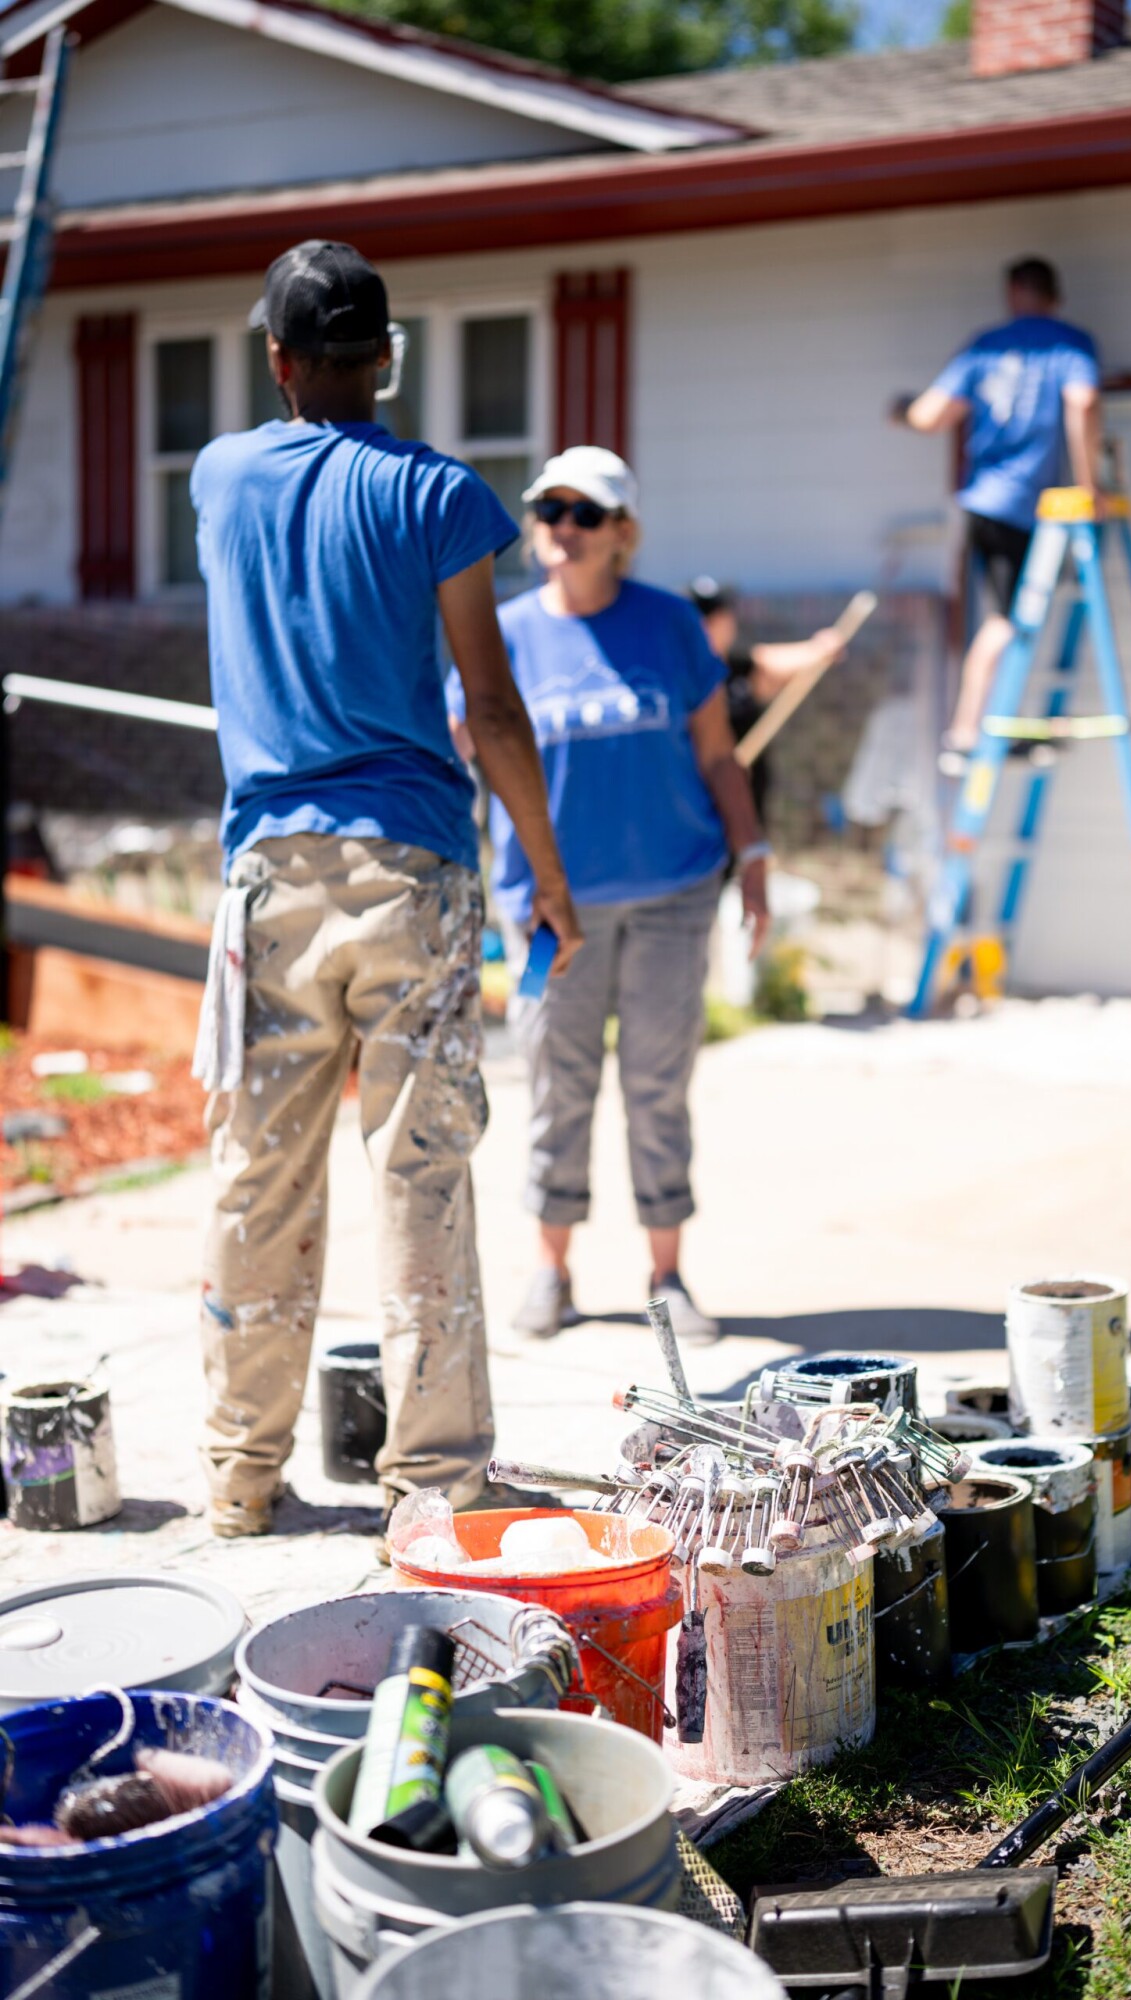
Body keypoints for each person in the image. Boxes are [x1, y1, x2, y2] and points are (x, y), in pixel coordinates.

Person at [190, 239, 579, 1539]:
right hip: (409, 867)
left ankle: (240, 1480)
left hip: (266, 880)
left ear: (277, 360)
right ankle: (433, 1487)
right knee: (419, 1176)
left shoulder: (220, 476)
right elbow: (494, 707)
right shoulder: (444, 497)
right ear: (388, 361)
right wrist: (549, 874)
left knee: (257, 1177)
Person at [453, 446, 769, 1345]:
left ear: (622, 533)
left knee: (658, 1086)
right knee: (558, 1083)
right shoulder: (504, 632)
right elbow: (455, 748)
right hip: (552, 912)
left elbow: (717, 755)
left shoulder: (670, 625)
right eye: (549, 510)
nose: (561, 528)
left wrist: (753, 855)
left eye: (584, 514)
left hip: (672, 896)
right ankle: (551, 1272)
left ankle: (666, 1278)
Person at [891, 256, 1102, 772]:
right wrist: (1088, 485)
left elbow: (928, 415)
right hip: (1024, 507)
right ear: (1055, 296)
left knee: (1012, 617)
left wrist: (901, 409)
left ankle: (999, 720)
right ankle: (965, 733)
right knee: (1008, 621)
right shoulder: (1069, 345)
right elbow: (1085, 401)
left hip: (983, 502)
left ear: (1013, 294)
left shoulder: (985, 346)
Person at [686, 577, 847, 826]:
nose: (722, 623)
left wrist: (820, 648)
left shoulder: (739, 670)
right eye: (710, 617)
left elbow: (778, 661)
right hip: (700, 806)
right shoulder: (678, 679)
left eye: (723, 615)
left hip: (747, 802)